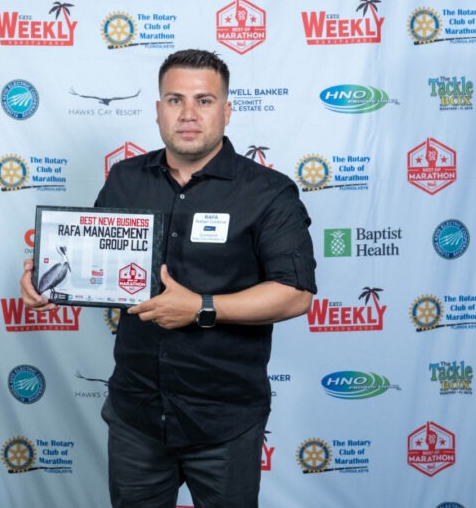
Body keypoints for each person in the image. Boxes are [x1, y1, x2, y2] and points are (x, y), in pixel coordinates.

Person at [20, 48, 317, 508]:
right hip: (136, 414)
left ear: (227, 109)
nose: (189, 114)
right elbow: (90, 264)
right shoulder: (124, 179)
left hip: (224, 419)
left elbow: (295, 294)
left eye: (204, 100)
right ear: (158, 110)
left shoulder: (268, 192)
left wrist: (202, 306)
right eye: (175, 100)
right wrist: (47, 282)